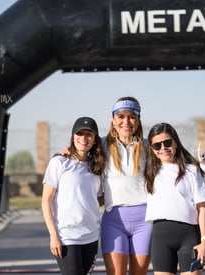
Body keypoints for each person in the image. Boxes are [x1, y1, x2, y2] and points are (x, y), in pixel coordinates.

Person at [60, 96, 151, 275]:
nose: (126, 121)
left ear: (138, 120)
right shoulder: (101, 145)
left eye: (132, 116)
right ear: (113, 120)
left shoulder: (148, 146)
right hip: (113, 220)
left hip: (144, 221)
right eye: (121, 116)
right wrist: (67, 151)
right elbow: (80, 150)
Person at [41, 117, 106, 275]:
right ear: (73, 137)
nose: (84, 138)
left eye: (88, 134)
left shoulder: (95, 167)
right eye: (80, 134)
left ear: (95, 139)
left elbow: (95, 200)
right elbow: (46, 201)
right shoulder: (59, 162)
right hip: (66, 236)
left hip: (90, 236)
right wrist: (54, 236)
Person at [145, 122, 205, 275]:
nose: (163, 148)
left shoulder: (192, 170)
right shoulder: (148, 172)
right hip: (160, 238)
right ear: (152, 149)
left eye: (167, 142)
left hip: (189, 237)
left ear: (175, 142)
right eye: (157, 145)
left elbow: (202, 209)